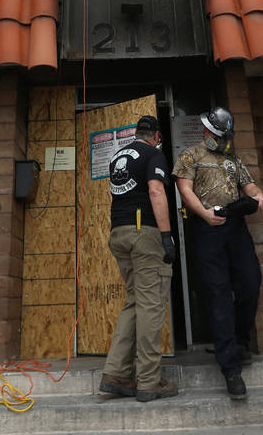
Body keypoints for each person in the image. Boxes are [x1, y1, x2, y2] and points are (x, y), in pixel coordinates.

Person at [174, 106, 263, 400]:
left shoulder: (233, 160)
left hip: (236, 228)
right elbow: (184, 189)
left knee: (250, 283)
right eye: (215, 133)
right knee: (218, 292)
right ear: (206, 132)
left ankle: (239, 340)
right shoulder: (191, 155)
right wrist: (203, 214)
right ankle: (231, 368)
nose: (218, 138)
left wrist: (258, 197)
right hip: (207, 228)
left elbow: (250, 186)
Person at [98, 115, 178, 402]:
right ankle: (148, 382)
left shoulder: (118, 155)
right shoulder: (153, 154)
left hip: (118, 233)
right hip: (144, 234)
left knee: (134, 302)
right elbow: (156, 190)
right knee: (151, 305)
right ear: (157, 134)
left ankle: (115, 373)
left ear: (136, 133)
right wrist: (166, 235)